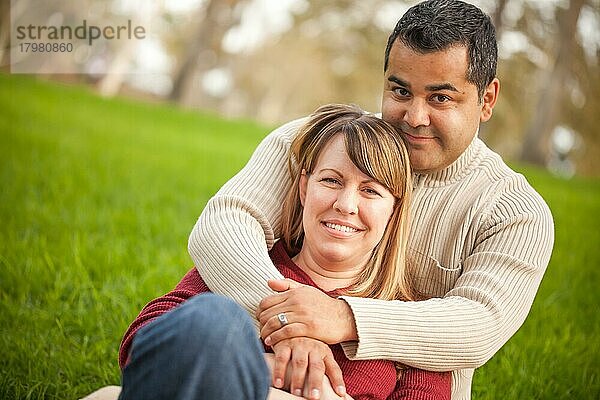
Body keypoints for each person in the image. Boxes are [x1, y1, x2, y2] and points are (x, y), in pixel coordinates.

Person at [187, 1, 555, 400]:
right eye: (400, 91)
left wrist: (343, 317)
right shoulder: (317, 143)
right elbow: (222, 225)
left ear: (486, 99)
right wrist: (290, 324)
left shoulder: (516, 213)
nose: (415, 116)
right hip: (263, 367)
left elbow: (478, 324)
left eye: (441, 98)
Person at [119, 104, 451, 400]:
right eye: (332, 181)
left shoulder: (409, 317)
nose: (346, 205)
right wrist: (279, 367)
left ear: (393, 210)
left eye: (370, 190)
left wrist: (316, 388)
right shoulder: (251, 263)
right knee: (212, 319)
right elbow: (143, 347)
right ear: (305, 187)